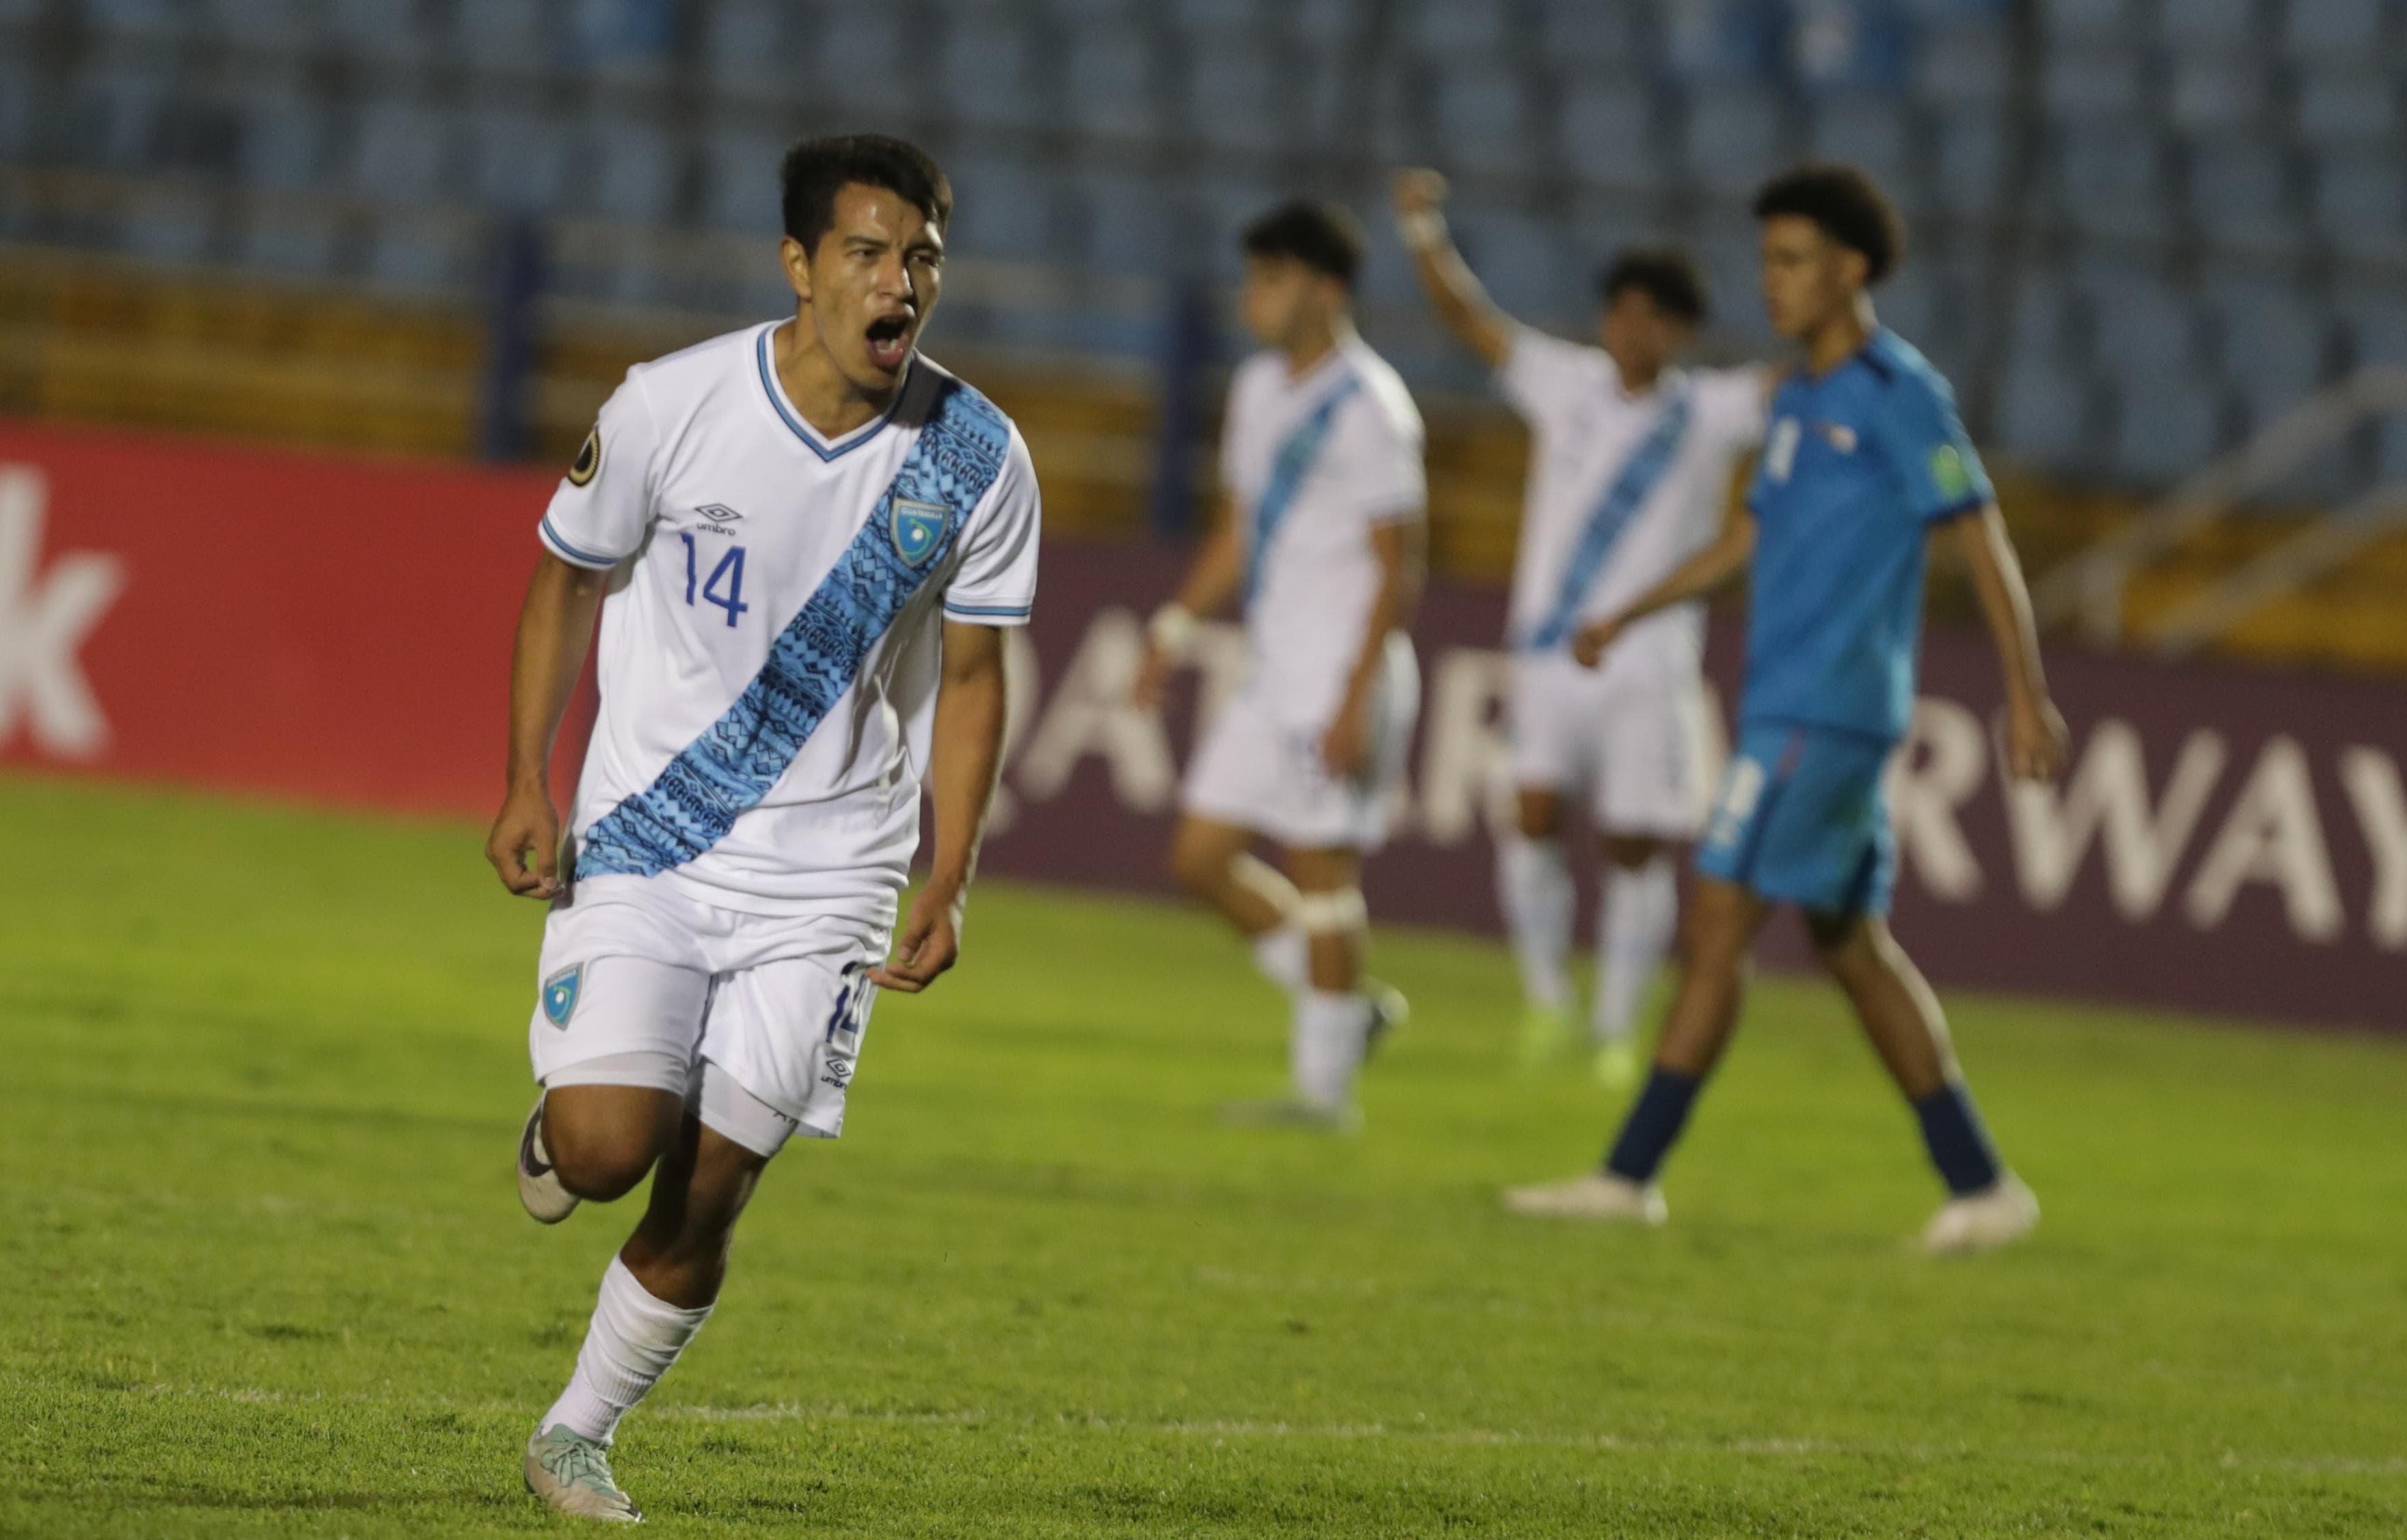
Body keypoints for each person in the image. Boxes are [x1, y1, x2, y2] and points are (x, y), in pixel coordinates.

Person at [483, 134, 1041, 1520]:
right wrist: (525, 779)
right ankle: (563, 1133)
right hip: (656, 838)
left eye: (919, 256)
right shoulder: (673, 406)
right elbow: (567, 579)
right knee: (612, 1148)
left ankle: (578, 1431)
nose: (896, 280)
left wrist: (949, 870)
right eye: (864, 251)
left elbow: (974, 681)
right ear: (799, 266)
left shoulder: (975, 456)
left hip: (833, 878)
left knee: (715, 1182)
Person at [1503, 163, 2069, 1253]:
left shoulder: (1900, 395)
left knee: (1717, 916)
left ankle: (1627, 1173)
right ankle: (1981, 1184)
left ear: (1851, 269)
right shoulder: (1797, 399)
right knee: (1851, 947)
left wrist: (2024, 690)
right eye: (1765, 259)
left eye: (1792, 260)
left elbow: (1979, 534)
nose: (1771, 281)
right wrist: (1628, 609)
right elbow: (1748, 539)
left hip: (1827, 711)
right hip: (1784, 704)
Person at [1393, 168, 1767, 1088]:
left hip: (1649, 663)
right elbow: (1471, 319)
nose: (1631, 329)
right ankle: (1548, 1002)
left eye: (1652, 317)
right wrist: (1422, 233)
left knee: (1635, 844)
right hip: (1547, 651)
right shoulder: (1563, 384)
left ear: (1678, 330)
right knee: (1531, 819)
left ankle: (1612, 1025)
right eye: (1620, 312)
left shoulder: (1708, 412)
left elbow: (1803, 375)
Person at [1131, 200, 1426, 1130]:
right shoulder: (1260, 390)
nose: (1254, 295)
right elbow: (1238, 532)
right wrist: (1175, 623)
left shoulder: (1372, 407)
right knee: (1199, 856)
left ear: (1327, 292)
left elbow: (1399, 561)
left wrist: (1352, 696)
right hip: (1273, 668)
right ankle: (1348, 1008)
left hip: (1340, 670)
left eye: (1273, 278)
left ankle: (1323, 1096)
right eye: (1253, 277)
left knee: (1323, 872)